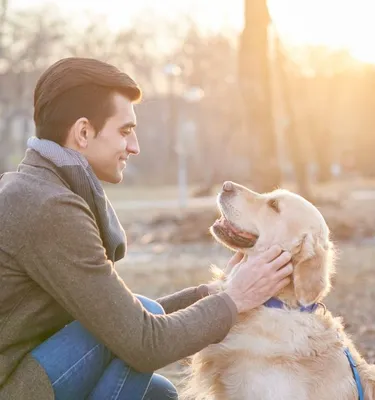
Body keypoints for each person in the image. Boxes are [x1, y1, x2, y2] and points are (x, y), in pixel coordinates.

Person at [0, 57, 293, 400]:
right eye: (125, 131)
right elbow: (142, 343)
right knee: (145, 321)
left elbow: (119, 319)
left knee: (160, 396)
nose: (134, 146)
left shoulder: (38, 189)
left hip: (26, 370)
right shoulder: (48, 207)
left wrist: (212, 295)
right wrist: (234, 300)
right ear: (83, 132)